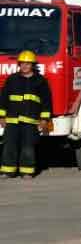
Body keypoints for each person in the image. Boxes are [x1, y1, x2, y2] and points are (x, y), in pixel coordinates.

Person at [0, 51, 52, 179]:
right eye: (22, 63)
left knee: (28, 147)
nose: (24, 66)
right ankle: (7, 170)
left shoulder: (40, 81)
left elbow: (46, 101)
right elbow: (3, 98)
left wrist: (44, 119)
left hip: (31, 121)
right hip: (12, 120)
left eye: (27, 64)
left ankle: (27, 171)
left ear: (33, 65)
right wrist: (2, 116)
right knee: (9, 145)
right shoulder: (12, 79)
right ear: (19, 65)